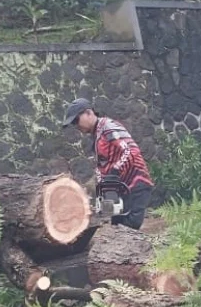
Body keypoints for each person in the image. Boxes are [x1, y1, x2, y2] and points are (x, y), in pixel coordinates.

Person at [62, 98, 153, 230]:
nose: (76, 126)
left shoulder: (107, 127)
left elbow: (130, 150)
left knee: (130, 225)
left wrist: (115, 171)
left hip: (134, 183)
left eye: (76, 120)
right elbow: (102, 166)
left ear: (88, 113)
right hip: (118, 187)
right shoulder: (97, 134)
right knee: (113, 224)